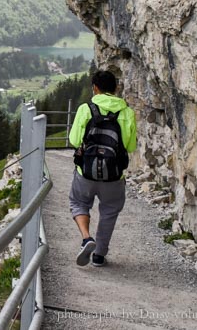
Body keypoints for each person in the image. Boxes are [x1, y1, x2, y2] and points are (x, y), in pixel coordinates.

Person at [69, 69, 137, 267]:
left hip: (86, 172)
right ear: (116, 88)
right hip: (114, 175)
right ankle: (99, 255)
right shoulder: (127, 112)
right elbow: (131, 146)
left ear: (95, 88)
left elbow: (74, 140)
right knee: (109, 211)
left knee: (79, 202)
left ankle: (86, 238)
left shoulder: (85, 109)